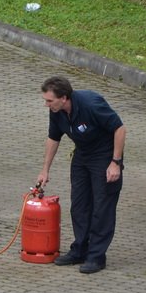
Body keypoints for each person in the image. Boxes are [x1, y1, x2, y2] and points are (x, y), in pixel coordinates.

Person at [37, 76, 126, 274]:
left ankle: (96, 257)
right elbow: (53, 138)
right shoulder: (57, 111)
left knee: (102, 207)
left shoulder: (91, 104)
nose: (46, 104)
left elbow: (119, 129)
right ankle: (79, 249)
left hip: (104, 156)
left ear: (64, 97)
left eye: (49, 100)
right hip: (82, 155)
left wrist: (115, 163)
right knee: (79, 205)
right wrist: (45, 170)